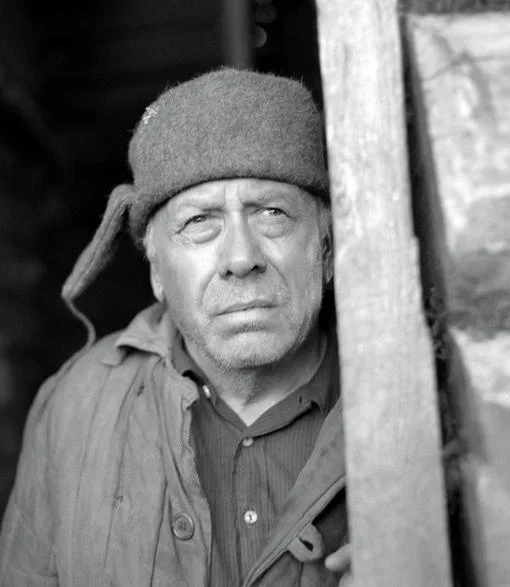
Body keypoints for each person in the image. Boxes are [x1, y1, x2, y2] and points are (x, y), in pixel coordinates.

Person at [0, 68, 351, 586]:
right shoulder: (73, 405)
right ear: (157, 273)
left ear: (325, 248)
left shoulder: (414, 402)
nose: (240, 258)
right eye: (199, 221)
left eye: (272, 212)